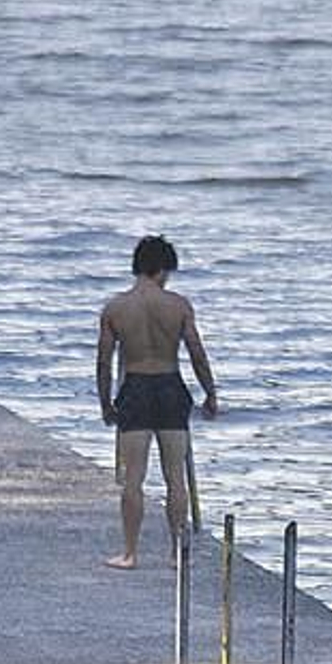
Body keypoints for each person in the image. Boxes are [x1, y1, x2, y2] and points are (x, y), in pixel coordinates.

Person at [96, 235, 220, 569]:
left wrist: (105, 403)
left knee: (133, 478)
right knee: (175, 477)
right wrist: (210, 392)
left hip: (135, 388)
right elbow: (196, 353)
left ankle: (130, 553)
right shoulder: (178, 306)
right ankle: (176, 553)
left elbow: (104, 361)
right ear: (162, 269)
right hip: (169, 386)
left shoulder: (115, 308)